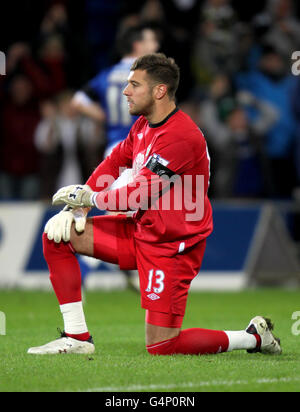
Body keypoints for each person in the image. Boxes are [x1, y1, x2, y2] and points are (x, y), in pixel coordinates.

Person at [27, 53, 282, 356]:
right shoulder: (142, 126)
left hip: (172, 246)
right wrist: (80, 207)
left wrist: (89, 198)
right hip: (141, 230)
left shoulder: (181, 136)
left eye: (134, 84)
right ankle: (77, 338)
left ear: (159, 91)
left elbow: (137, 194)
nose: (125, 91)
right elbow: (114, 161)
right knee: (57, 236)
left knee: (162, 345)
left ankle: (253, 338)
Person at [70, 23, 160, 290]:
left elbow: (77, 102)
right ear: (137, 46)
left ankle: (134, 270)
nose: (155, 45)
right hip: (137, 149)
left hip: (113, 149)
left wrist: (106, 117)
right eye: (151, 41)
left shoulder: (108, 74)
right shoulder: (147, 75)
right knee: (123, 214)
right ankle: (81, 276)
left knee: (128, 214)